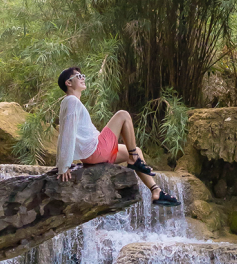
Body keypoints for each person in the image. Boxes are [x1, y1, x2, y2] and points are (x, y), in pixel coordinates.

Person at [56, 66, 180, 206]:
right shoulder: (71, 101)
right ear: (69, 83)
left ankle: (156, 191)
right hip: (95, 150)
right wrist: (63, 166)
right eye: (78, 76)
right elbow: (67, 133)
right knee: (123, 115)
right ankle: (134, 159)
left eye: (82, 75)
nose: (83, 78)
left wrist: (62, 163)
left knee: (136, 150)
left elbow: (65, 134)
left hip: (93, 154)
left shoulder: (72, 102)